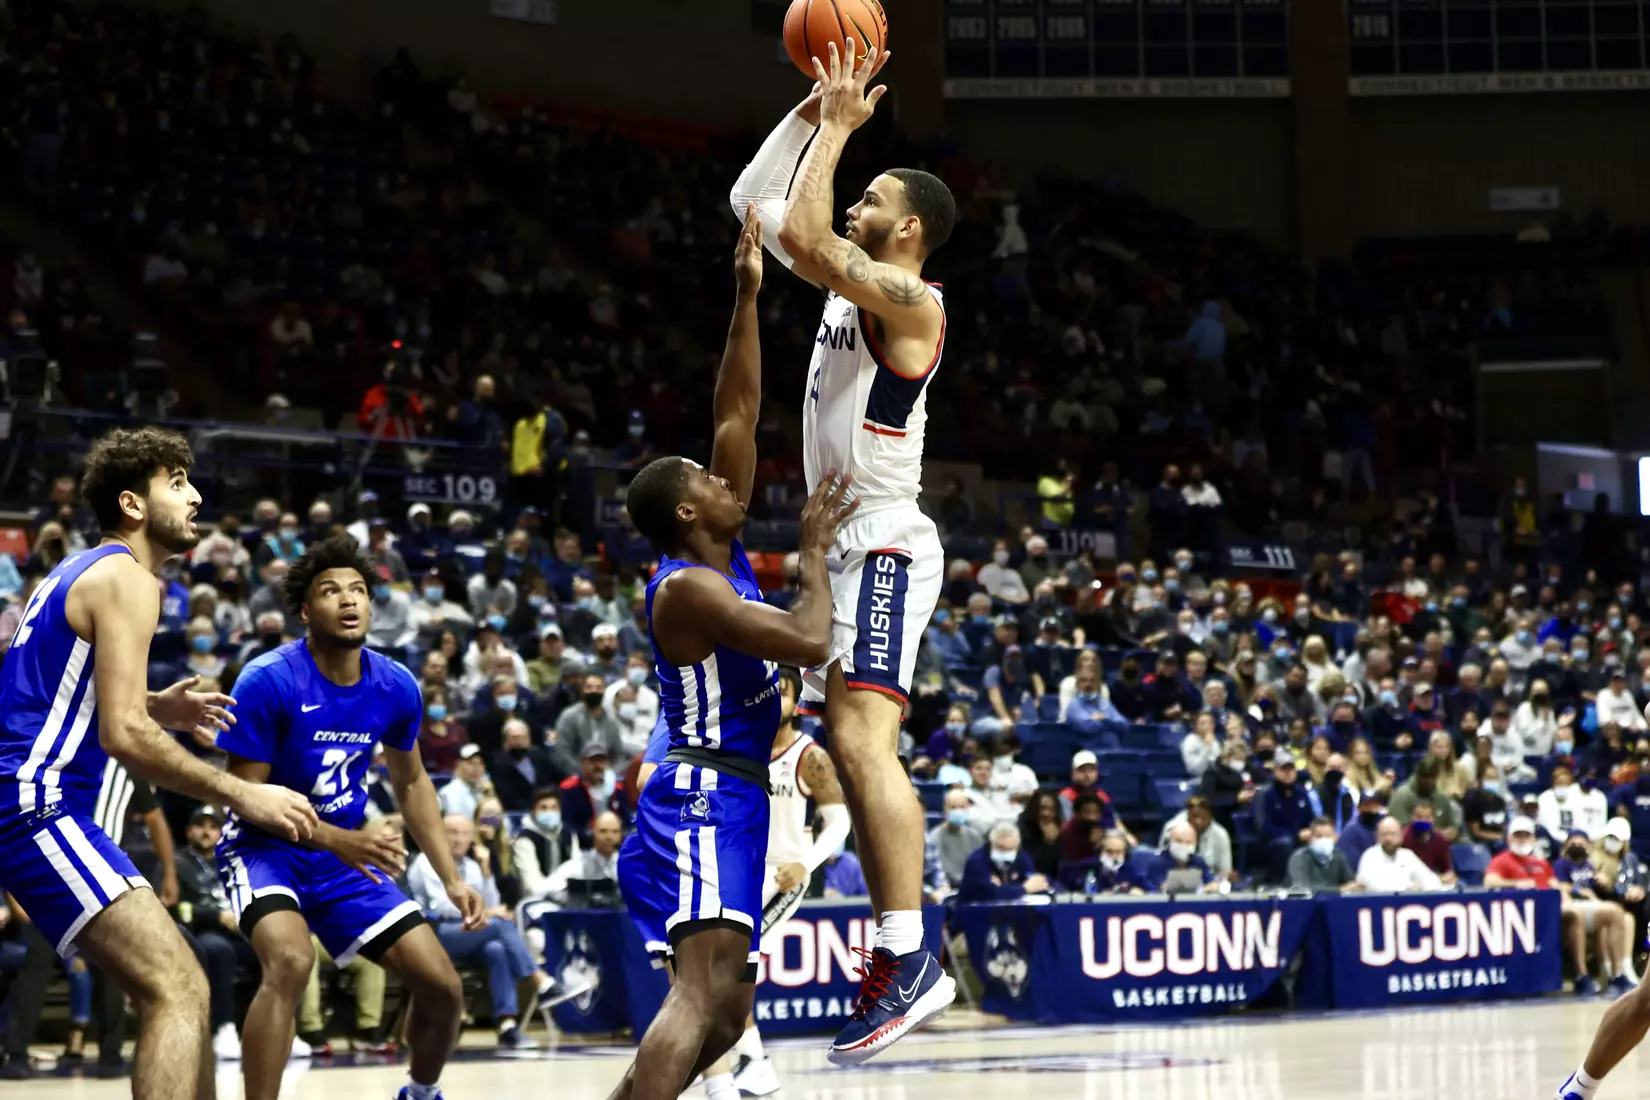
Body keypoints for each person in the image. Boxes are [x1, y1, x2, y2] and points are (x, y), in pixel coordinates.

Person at [735, 41, 959, 1065]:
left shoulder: (912, 302)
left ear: (905, 229)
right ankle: (901, 947)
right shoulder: (845, 288)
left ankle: (912, 952)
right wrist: (810, 109)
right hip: (844, 546)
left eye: (873, 193)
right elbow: (760, 202)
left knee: (865, 744)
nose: (854, 198)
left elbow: (815, 232)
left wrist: (836, 131)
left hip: (883, 540)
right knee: (849, 744)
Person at [613, 208, 863, 1100]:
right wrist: (815, 553)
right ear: (687, 512)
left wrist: (747, 296)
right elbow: (807, 638)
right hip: (704, 791)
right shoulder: (689, 588)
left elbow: (740, 407)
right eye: (710, 482)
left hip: (734, 793)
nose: (729, 482)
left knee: (725, 1014)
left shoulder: (720, 560)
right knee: (702, 996)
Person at [0, 427, 317, 1100]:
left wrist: (152, 704)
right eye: (177, 482)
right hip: (35, 805)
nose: (196, 495)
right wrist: (242, 793)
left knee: (183, 985)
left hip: (28, 799)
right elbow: (123, 737)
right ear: (133, 504)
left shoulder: (74, 571)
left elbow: (46, 687)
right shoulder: (128, 579)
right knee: (175, 984)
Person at [212, 536, 493, 1100]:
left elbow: (411, 782)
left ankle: (419, 1092)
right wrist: (339, 839)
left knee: (441, 987)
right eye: (331, 590)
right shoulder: (268, 679)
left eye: (359, 590)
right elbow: (244, 794)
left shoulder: (394, 684)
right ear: (304, 610)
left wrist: (451, 877)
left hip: (343, 860)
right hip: (265, 850)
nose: (349, 601)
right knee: (290, 963)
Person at [1356, 816, 1445, 892]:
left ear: (1401, 836)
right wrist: (1408, 889)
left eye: (1393, 834)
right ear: (1377, 837)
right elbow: (1372, 885)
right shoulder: (1370, 856)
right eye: (1384, 834)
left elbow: (1431, 881)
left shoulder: (1407, 856)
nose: (1389, 838)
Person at [1287, 817, 1360, 892]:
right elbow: (1301, 889)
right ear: (1310, 838)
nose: (1324, 840)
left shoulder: (1338, 855)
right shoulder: (1299, 857)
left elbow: (1351, 883)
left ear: (1335, 838)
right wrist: (1339, 890)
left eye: (1328, 836)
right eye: (1319, 836)